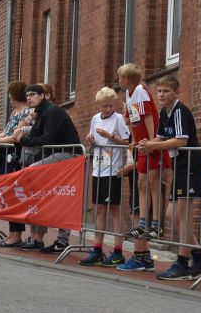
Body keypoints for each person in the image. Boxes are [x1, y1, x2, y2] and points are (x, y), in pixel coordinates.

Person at [138, 75, 201, 280]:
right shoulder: (164, 112)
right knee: (173, 214)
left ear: (176, 93)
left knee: (183, 214)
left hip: (190, 165)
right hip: (179, 166)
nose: (161, 95)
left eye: (166, 91)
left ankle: (182, 262)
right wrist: (147, 143)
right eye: (159, 91)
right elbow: (161, 137)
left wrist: (153, 146)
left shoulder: (179, 111)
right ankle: (200, 259)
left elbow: (180, 141)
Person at [14, 83, 81, 254]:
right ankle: (40, 239)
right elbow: (36, 133)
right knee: (44, 194)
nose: (29, 98)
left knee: (33, 172)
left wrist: (22, 140)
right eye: (27, 95)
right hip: (57, 156)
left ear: (42, 96)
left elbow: (47, 138)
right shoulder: (40, 112)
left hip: (69, 156)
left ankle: (61, 241)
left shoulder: (51, 111)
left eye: (32, 94)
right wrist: (22, 132)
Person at [117, 63, 165, 272]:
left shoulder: (140, 91)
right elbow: (134, 122)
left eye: (120, 77)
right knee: (141, 183)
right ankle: (144, 224)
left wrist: (152, 141)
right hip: (141, 144)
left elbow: (149, 118)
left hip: (149, 144)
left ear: (126, 79)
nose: (118, 80)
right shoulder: (129, 95)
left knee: (150, 183)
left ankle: (154, 224)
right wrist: (134, 140)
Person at [79, 86, 131, 267]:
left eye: (110, 105)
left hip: (112, 169)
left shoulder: (118, 119)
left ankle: (118, 251)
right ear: (98, 105)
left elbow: (127, 142)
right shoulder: (95, 119)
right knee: (99, 209)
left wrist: (110, 136)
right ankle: (97, 249)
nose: (108, 109)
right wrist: (91, 140)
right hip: (98, 168)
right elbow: (94, 142)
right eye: (104, 106)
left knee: (115, 210)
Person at [0, 81, 32, 247]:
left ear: (14, 95)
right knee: (8, 195)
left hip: (15, 155)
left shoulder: (26, 112)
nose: (9, 97)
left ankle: (17, 234)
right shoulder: (15, 112)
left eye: (10, 94)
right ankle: (12, 233)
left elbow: (16, 136)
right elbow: (6, 131)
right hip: (6, 153)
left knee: (14, 194)